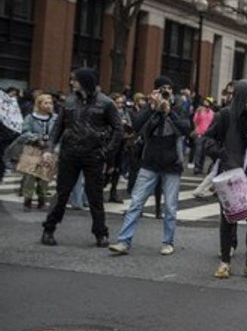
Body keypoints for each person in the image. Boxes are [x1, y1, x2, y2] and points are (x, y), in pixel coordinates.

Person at [108, 76, 190, 256]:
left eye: (168, 89)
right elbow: (137, 126)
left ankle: (168, 242)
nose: (166, 92)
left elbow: (186, 128)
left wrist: (169, 112)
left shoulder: (177, 107)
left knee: (170, 206)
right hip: (150, 162)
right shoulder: (150, 107)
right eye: (162, 89)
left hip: (172, 164)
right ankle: (123, 241)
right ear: (155, 91)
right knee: (136, 202)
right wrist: (152, 108)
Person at [41, 68, 122, 247]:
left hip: (94, 155)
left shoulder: (106, 103)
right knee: (62, 194)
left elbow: (118, 129)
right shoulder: (69, 101)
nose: (72, 83)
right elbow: (58, 127)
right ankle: (48, 229)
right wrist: (49, 148)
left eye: (74, 80)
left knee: (95, 196)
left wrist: (106, 152)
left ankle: (101, 233)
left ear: (84, 81)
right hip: (69, 154)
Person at [203, 79, 247, 278]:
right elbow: (207, 140)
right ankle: (225, 261)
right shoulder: (224, 115)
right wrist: (221, 153)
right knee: (227, 220)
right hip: (229, 176)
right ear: (241, 95)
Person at [19, 93, 58, 210]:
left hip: (48, 150)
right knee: (29, 177)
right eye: (45, 103)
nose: (48, 105)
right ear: (39, 104)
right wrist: (36, 138)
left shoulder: (55, 118)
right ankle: (28, 200)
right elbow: (24, 133)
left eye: (50, 103)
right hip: (33, 149)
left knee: (44, 177)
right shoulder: (30, 118)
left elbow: (59, 133)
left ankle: (42, 200)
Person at [191, 96, 216, 175]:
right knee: (198, 151)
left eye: (209, 102)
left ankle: (201, 168)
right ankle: (196, 168)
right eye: (206, 101)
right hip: (199, 133)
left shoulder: (212, 113)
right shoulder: (200, 111)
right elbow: (195, 121)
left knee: (204, 152)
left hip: (208, 134)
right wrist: (196, 129)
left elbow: (213, 124)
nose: (207, 103)